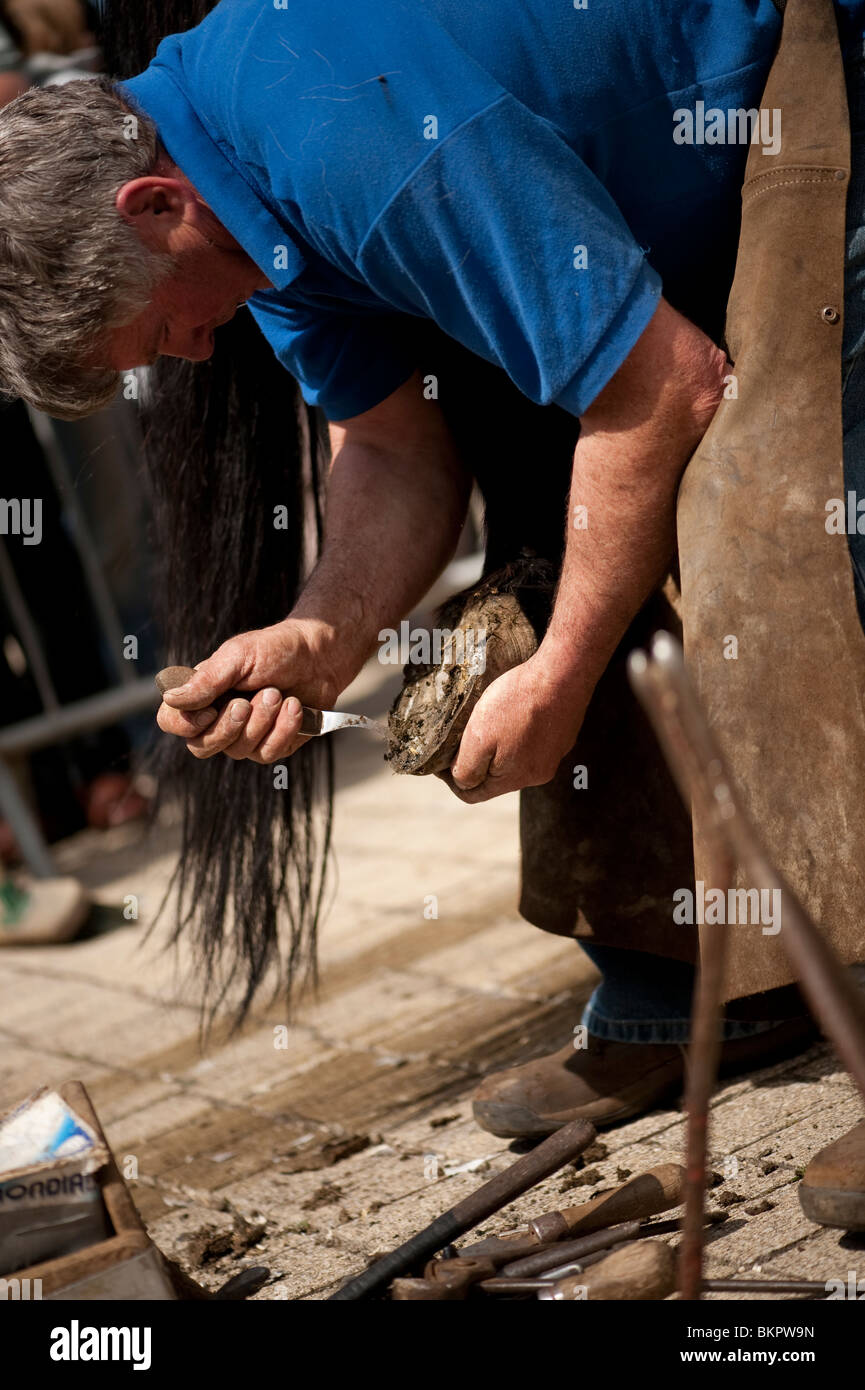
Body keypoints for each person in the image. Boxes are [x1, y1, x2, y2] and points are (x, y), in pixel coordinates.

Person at [0, 0, 863, 1227]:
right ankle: (686, 988)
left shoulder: (341, 144)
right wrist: (318, 636)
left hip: (787, 57)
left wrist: (560, 675)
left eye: (150, 333)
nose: (188, 360)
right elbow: (395, 451)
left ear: (152, 208)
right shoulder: (232, 192)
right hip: (612, 159)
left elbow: (665, 382)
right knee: (554, 515)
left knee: (788, 497)